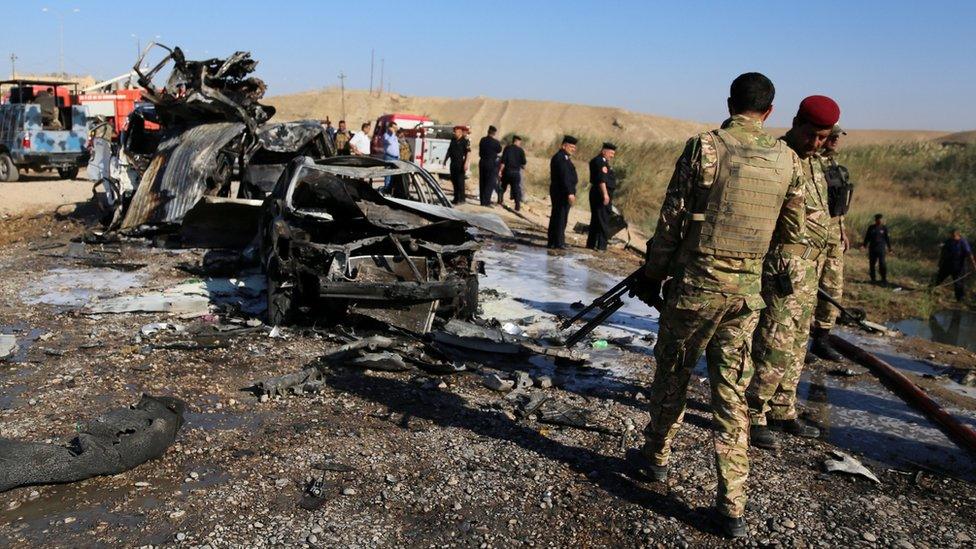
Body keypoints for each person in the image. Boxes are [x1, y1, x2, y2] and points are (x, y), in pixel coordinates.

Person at [628, 72, 805, 538]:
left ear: (730, 102)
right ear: (770, 111)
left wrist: (653, 273)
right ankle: (732, 505)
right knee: (731, 395)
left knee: (673, 376)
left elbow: (671, 221)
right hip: (746, 298)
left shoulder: (704, 147)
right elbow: (794, 239)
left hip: (696, 288)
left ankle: (656, 458)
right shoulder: (788, 160)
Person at [747, 96, 843, 453]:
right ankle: (753, 409)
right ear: (796, 122)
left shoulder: (816, 163)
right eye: (811, 134)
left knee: (799, 340)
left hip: (811, 266)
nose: (816, 142)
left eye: (823, 137)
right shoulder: (779, 156)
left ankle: (782, 407)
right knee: (773, 338)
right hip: (784, 263)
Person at [809, 125, 852, 362]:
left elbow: (838, 205)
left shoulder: (834, 167)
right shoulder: (807, 162)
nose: (835, 141)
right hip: (813, 237)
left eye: (838, 137)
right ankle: (798, 342)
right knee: (806, 291)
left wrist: (843, 231)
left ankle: (822, 339)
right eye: (832, 136)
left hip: (833, 237)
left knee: (833, 289)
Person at [547, 135, 578, 249]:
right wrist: (570, 192)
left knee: (559, 216)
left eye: (574, 147)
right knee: (560, 217)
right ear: (564, 146)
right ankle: (558, 242)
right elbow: (564, 177)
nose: (573, 149)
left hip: (561, 191)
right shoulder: (560, 158)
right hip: (561, 191)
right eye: (571, 146)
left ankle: (554, 241)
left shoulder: (564, 157)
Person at [586, 142, 618, 251]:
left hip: (599, 192)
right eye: (611, 153)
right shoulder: (600, 162)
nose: (612, 156)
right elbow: (601, 180)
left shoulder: (602, 161)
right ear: (604, 151)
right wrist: (605, 194)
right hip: (601, 193)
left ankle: (591, 244)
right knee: (603, 220)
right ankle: (601, 246)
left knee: (596, 219)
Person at [936, 229, 976, 301]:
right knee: (938, 278)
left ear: (958, 235)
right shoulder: (948, 241)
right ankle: (928, 290)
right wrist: (940, 262)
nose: (952, 237)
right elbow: (943, 253)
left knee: (958, 284)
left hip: (958, 267)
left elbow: (969, 254)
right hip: (946, 265)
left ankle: (960, 300)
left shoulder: (963, 242)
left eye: (954, 236)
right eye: (951, 235)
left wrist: (974, 265)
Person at [498, 135, 527, 210]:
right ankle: (517, 206)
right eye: (520, 142)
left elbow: (503, 162)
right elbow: (524, 162)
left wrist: (500, 171)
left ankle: (500, 201)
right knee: (516, 189)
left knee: (503, 187)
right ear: (517, 141)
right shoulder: (521, 150)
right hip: (516, 173)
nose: (520, 144)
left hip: (507, 172)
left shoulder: (507, 148)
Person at [444, 125, 471, 204]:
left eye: (455, 132)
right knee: (454, 181)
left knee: (460, 182)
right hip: (453, 163)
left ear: (459, 132)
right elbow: (449, 150)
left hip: (460, 164)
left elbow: (468, 153)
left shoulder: (465, 141)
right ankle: (456, 198)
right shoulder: (453, 140)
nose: (454, 133)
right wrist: (445, 160)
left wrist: (466, 163)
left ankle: (461, 199)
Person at [863, 214, 892, 284]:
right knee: (872, 264)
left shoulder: (884, 228)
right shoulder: (871, 228)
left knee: (882, 263)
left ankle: (883, 279)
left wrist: (889, 248)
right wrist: (864, 245)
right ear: (876, 220)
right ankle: (873, 279)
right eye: (878, 220)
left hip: (881, 248)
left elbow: (887, 239)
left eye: (881, 220)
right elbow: (867, 237)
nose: (880, 221)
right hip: (872, 248)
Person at [478, 126, 503, 206]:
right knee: (489, 183)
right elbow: (499, 150)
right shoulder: (496, 142)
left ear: (488, 131)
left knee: (482, 181)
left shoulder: (482, 140)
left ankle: (482, 201)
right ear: (494, 133)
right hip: (490, 163)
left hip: (482, 162)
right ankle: (486, 202)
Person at [86, 116, 116, 183]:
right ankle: (106, 176)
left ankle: (96, 177)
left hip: (98, 142)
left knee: (98, 160)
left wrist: (89, 144)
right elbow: (114, 134)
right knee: (106, 161)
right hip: (107, 144)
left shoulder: (98, 127)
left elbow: (91, 134)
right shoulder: (109, 126)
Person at [381, 122, 400, 192]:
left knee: (394, 175)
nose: (395, 129)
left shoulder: (394, 136)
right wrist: (393, 133)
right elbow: (389, 142)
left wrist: (398, 156)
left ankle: (391, 189)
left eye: (396, 128)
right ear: (390, 128)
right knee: (388, 174)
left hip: (395, 157)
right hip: (389, 157)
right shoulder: (386, 135)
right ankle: (386, 189)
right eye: (394, 128)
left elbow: (396, 147)